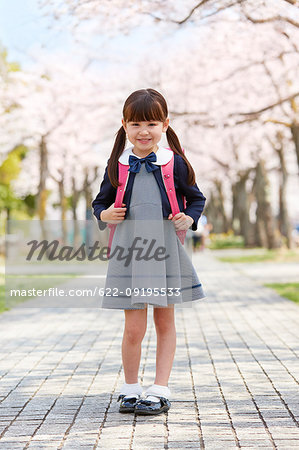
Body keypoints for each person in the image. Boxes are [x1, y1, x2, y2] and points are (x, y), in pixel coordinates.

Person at [92, 88, 206, 416]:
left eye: (152, 123)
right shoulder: (118, 165)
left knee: (165, 322)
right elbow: (100, 202)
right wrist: (104, 214)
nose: (144, 131)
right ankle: (130, 388)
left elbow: (196, 198)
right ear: (125, 125)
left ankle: (159, 389)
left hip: (165, 252)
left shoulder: (176, 164)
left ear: (165, 125)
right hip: (129, 254)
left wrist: (189, 217)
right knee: (133, 328)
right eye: (137, 124)